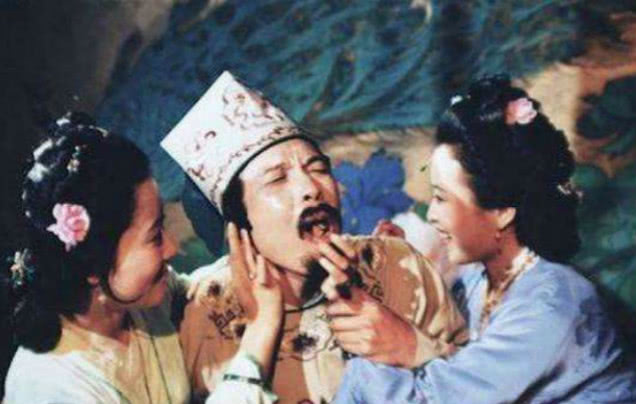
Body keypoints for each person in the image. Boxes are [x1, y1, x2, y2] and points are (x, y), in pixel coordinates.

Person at [161, 71, 468, 404]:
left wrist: (412, 346)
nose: (311, 188)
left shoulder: (398, 266)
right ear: (237, 222)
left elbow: (485, 387)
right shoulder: (198, 311)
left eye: (318, 169)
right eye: (277, 179)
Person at [330, 75, 636, 403]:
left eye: (442, 198)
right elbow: (465, 361)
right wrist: (396, 268)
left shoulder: (552, 305)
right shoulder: (478, 280)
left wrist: (403, 345)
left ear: (502, 211)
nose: (431, 215)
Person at [2, 113, 285, 403]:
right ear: (92, 266)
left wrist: (261, 257)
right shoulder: (50, 388)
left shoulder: (136, 302)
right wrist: (260, 334)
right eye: (154, 237)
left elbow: (192, 294)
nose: (172, 248)